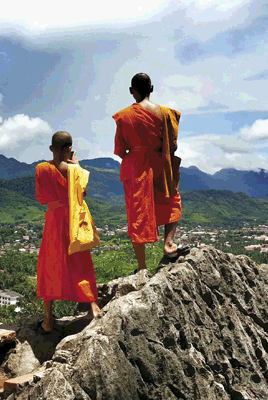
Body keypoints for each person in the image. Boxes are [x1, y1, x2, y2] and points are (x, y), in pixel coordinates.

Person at [113, 73, 189, 272]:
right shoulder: (167, 114)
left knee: (137, 213)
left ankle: (141, 267)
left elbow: (120, 150)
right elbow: (172, 144)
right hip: (162, 163)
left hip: (136, 167)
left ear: (131, 91)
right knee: (171, 200)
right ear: (152, 89)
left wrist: (137, 153)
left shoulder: (124, 116)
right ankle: (169, 244)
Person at [35, 131, 103, 332]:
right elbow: (83, 193)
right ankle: (93, 307)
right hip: (74, 219)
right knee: (81, 261)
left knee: (50, 263)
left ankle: (48, 319)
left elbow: (41, 197)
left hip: (54, 220)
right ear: (70, 148)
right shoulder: (74, 170)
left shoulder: (41, 168)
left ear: (51, 148)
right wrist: (77, 166)